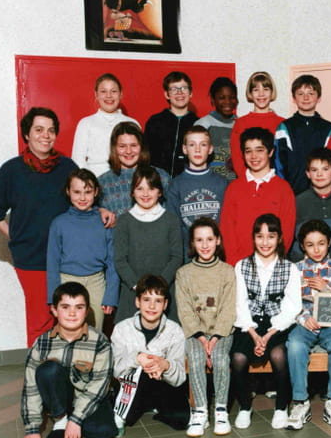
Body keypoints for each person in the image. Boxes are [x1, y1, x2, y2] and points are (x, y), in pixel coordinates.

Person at [0, 107, 89, 346]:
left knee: (70, 316)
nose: (46, 135)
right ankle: (39, 367)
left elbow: (84, 199)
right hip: (32, 257)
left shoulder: (67, 167)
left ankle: (67, 365)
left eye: (51, 130)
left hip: (67, 257)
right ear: (27, 134)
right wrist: (17, 236)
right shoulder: (11, 171)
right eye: (39, 129)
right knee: (41, 319)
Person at [14, 282, 116, 438]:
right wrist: (32, 429)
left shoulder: (100, 341)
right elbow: (30, 387)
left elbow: (99, 385)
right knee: (48, 369)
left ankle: (74, 419)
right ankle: (60, 420)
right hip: (59, 399)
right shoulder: (42, 342)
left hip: (88, 397)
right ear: (54, 310)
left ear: (87, 311)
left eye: (79, 307)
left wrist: (76, 420)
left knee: (102, 432)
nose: (72, 313)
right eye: (65, 307)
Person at [230, 214, 302, 430]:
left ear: (279, 238)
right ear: (253, 238)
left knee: (279, 355)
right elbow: (239, 303)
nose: (265, 242)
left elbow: (293, 306)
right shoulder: (242, 266)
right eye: (260, 236)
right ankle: (245, 406)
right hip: (249, 323)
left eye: (271, 236)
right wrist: (253, 333)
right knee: (238, 357)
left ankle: (281, 407)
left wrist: (269, 333)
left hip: (277, 324)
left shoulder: (289, 268)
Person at [285, 220, 331, 431]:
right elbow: (288, 302)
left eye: (321, 243)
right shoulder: (295, 270)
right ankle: (300, 402)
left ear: (329, 242)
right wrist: (304, 318)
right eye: (310, 244)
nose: (316, 249)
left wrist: (326, 290)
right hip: (305, 324)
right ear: (302, 246)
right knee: (294, 345)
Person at [175, 218, 236, 437]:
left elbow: (229, 309)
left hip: (222, 332)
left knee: (220, 358)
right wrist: (201, 338)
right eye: (199, 240)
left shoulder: (227, 272)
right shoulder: (183, 273)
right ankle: (200, 411)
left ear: (218, 240)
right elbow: (185, 310)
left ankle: (220, 410)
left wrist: (216, 337)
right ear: (192, 243)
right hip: (195, 333)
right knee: (195, 357)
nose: (205, 245)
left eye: (209, 239)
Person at [112, 275, 189, 436]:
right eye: (146, 300)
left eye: (158, 301)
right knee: (128, 416)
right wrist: (137, 358)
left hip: (162, 385)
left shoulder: (175, 330)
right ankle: (131, 409)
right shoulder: (121, 329)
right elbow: (116, 371)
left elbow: (179, 378)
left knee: (182, 419)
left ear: (165, 304)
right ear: (137, 302)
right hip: (132, 387)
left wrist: (165, 365)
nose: (152, 306)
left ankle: (155, 406)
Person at [46, 169, 119, 328]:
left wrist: (111, 296)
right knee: (69, 328)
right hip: (66, 281)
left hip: (96, 282)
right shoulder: (59, 223)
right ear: (68, 192)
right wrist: (52, 298)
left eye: (88, 192)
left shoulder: (105, 223)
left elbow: (113, 262)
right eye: (77, 192)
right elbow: (52, 263)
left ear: (96, 192)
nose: (82, 198)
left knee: (95, 330)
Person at [113, 166, 183, 322]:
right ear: (132, 192)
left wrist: (159, 288)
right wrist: (138, 287)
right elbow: (120, 260)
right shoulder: (124, 221)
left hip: (163, 292)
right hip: (132, 293)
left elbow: (176, 257)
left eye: (151, 188)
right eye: (140, 188)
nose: (145, 194)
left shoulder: (171, 220)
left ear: (160, 192)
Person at [219, 127, 296, 265]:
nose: (253, 156)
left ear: (270, 152)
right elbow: (227, 230)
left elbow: (287, 232)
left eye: (259, 150)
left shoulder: (284, 189)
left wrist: (272, 264)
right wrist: (235, 264)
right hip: (238, 265)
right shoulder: (233, 188)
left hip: (272, 265)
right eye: (248, 151)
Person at [166, 126, 229, 260]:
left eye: (203, 145)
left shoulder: (222, 183)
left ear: (210, 149)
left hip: (217, 257)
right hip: (187, 257)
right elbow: (173, 228)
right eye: (192, 145)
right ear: (184, 149)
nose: (197, 149)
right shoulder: (176, 185)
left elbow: (226, 225)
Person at [274, 74, 331, 194]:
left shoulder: (329, 128)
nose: (306, 98)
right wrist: (283, 190)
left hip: (321, 192)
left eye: (311, 93)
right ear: (294, 98)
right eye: (300, 93)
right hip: (292, 192)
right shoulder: (284, 127)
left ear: (319, 97)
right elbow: (278, 163)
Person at [98, 122, 171, 217]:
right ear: (114, 148)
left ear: (142, 147)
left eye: (133, 145)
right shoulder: (102, 182)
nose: (128, 151)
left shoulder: (161, 176)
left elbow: (173, 212)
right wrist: (99, 210)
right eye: (122, 146)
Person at [72, 73, 139, 176]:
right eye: (103, 91)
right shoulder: (86, 123)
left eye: (114, 91)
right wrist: (91, 182)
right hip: (94, 179)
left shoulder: (132, 123)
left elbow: (139, 157)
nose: (109, 96)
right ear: (96, 95)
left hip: (126, 179)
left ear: (121, 94)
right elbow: (78, 160)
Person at [289, 147, 331, 265]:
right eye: (314, 170)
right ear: (308, 174)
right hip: (303, 265)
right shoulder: (298, 201)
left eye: (325, 169)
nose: (319, 174)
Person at [144, 71, 198, 177]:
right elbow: (145, 155)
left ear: (191, 93)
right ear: (166, 94)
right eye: (174, 89)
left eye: (184, 88)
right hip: (158, 180)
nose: (179, 93)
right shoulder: (154, 122)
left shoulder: (198, 123)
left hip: (186, 181)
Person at [229, 72, 284, 178]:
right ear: (250, 93)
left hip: (276, 181)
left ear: (272, 92)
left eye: (266, 89)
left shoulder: (282, 123)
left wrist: (276, 181)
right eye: (256, 90)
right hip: (248, 181)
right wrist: (250, 180)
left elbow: (286, 159)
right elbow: (237, 159)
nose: (261, 94)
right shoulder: (240, 123)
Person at [196, 76, 239, 181]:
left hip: (235, 183)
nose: (227, 101)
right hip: (210, 183)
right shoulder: (203, 124)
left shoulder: (240, 124)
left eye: (232, 97)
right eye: (222, 98)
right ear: (213, 100)